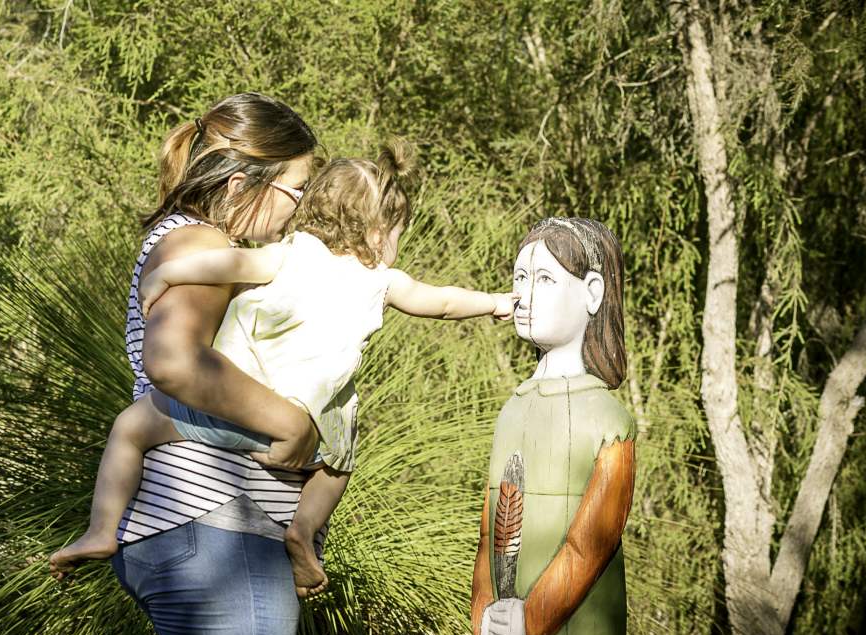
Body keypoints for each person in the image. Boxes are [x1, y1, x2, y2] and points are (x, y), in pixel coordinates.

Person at [51, 138, 518, 598]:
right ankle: (304, 530)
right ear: (379, 234)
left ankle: (102, 528)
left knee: (130, 428)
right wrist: (495, 302)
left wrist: (168, 273)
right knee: (339, 462)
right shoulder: (382, 281)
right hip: (303, 430)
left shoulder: (286, 256)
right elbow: (441, 302)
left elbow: (224, 262)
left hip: (231, 409)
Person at [61, 92, 318, 635]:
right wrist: (291, 424)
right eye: (296, 188)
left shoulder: (197, 243)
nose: (301, 204)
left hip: (204, 532)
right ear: (240, 184)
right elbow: (173, 360)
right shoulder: (199, 241)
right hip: (213, 528)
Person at [471, 217, 635, 635]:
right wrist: (484, 611)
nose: (522, 295)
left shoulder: (608, 421)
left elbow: (591, 543)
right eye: (520, 276)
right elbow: (490, 531)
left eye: (544, 278)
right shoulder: (513, 407)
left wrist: (531, 618)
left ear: (593, 292)